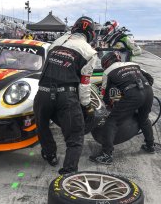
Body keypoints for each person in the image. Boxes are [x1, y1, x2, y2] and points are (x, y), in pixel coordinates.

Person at [34, 16, 98, 175]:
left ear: (74, 28)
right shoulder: (90, 52)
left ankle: (50, 154)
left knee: (42, 127)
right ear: (91, 34)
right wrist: (87, 106)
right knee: (75, 136)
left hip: (42, 92)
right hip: (66, 96)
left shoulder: (56, 42)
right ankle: (68, 172)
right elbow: (84, 85)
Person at [89, 52, 155, 164]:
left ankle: (106, 155)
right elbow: (150, 79)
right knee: (143, 118)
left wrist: (112, 105)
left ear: (106, 63)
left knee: (111, 122)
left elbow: (105, 96)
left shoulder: (108, 71)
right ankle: (150, 145)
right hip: (148, 92)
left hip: (132, 95)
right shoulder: (133, 64)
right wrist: (141, 94)